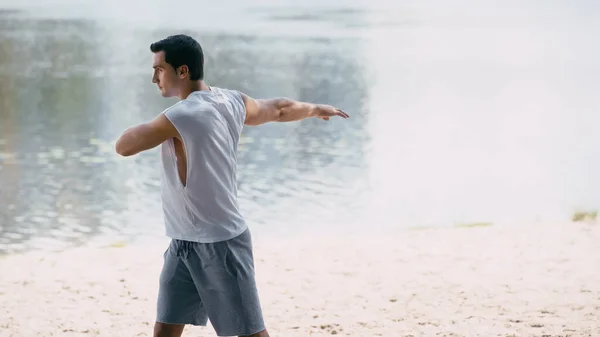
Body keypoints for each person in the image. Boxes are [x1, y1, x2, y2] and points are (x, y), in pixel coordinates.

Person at [114, 34, 349, 337]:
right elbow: (278, 108)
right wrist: (316, 108)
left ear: (182, 71)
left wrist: (157, 123)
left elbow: (123, 146)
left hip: (220, 242)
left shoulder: (180, 115)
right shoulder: (231, 100)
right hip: (184, 242)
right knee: (165, 328)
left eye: (159, 69)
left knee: (251, 332)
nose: (153, 78)